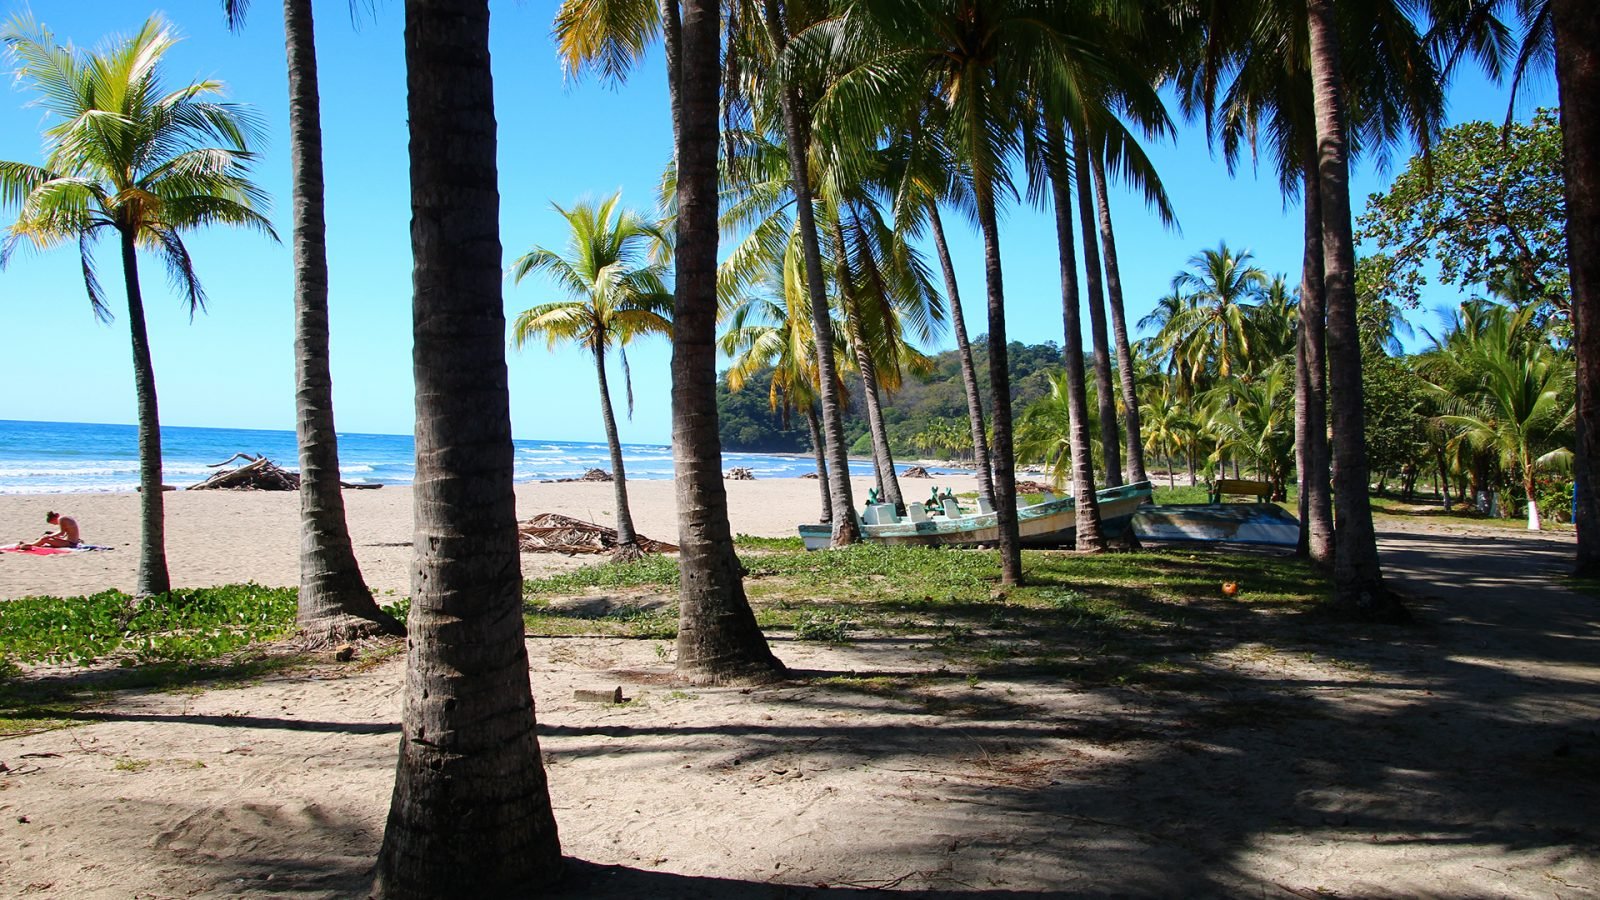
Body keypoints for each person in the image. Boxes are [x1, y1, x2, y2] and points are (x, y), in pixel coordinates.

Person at [17, 511, 81, 549]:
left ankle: (30, 545)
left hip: (70, 543)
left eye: (53, 523)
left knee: (45, 539)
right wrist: (52, 535)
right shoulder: (65, 517)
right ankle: (31, 543)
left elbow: (61, 533)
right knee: (47, 536)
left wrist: (50, 536)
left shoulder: (61, 519)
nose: (55, 524)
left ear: (53, 519)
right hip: (72, 541)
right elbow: (65, 533)